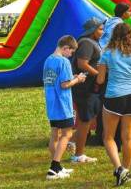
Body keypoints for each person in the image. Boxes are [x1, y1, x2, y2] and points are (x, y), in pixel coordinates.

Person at [96, 23, 131, 186]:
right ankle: (126, 170)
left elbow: (100, 80)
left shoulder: (107, 53)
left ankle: (119, 168)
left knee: (109, 136)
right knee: (128, 137)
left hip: (114, 96)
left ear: (114, 35)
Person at [43, 35, 86, 180]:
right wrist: (78, 79)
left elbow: (56, 79)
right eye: (71, 51)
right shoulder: (64, 61)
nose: (71, 54)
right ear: (65, 48)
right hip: (62, 104)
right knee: (66, 134)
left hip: (52, 104)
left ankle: (58, 166)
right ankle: (54, 168)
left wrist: (71, 76)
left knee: (55, 134)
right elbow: (65, 84)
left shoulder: (49, 60)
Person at [71, 17, 105, 164]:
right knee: (85, 121)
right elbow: (82, 64)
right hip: (85, 88)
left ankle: (68, 142)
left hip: (91, 87)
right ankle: (78, 155)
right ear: (92, 30)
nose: (102, 32)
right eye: (100, 29)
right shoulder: (86, 43)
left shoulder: (93, 42)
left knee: (87, 119)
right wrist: (98, 74)